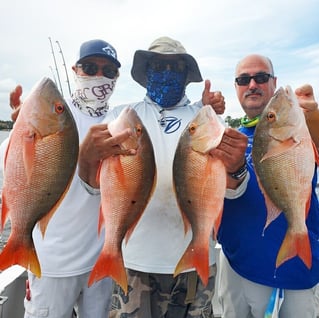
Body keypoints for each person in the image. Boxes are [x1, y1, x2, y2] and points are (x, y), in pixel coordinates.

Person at [79, 36, 226, 318]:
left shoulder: (204, 117)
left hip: (194, 262)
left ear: (187, 75)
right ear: (146, 73)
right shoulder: (120, 116)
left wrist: (207, 107)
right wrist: (87, 157)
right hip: (134, 262)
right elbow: (93, 185)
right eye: (158, 65)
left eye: (176, 66)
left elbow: (222, 180)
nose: (167, 72)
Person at [0, 39, 133, 318]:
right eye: (90, 67)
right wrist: (21, 132)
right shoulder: (52, 115)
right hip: (51, 264)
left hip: (101, 260)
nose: (100, 75)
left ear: (117, 77)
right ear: (75, 70)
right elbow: (9, 170)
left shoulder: (118, 122)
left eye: (109, 71)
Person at [215, 54, 319, 317]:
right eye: (243, 79)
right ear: (236, 87)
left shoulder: (303, 129)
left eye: (261, 77)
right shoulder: (229, 138)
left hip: (294, 270)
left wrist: (314, 117)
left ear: (274, 82)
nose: (252, 84)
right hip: (236, 262)